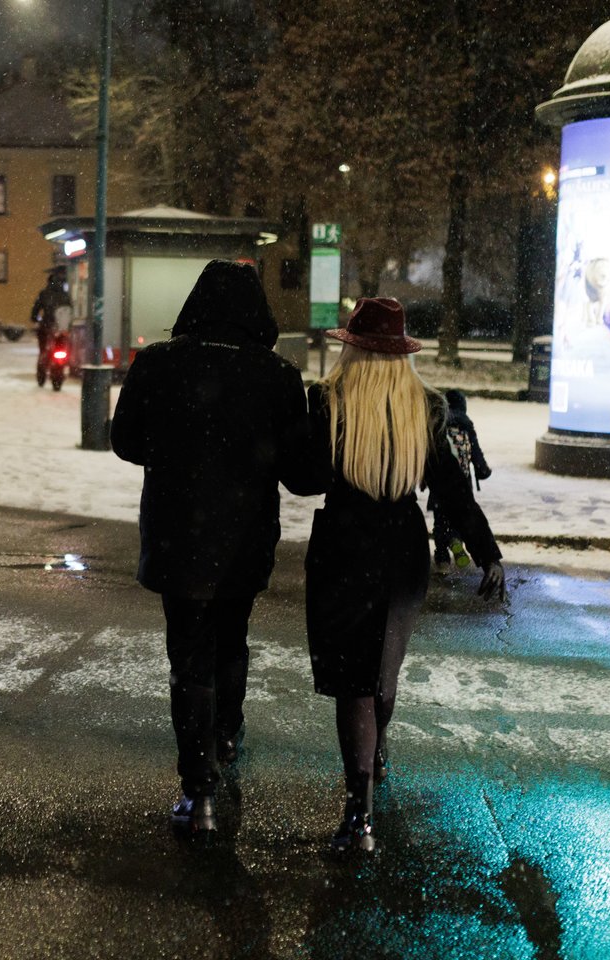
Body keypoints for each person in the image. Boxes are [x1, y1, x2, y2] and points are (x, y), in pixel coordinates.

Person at [111, 259, 316, 840]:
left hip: (177, 536)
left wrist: (176, 448)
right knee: (232, 638)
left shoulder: (157, 363)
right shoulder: (278, 376)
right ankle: (225, 734)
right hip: (244, 538)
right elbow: (299, 471)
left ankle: (197, 789)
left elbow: (125, 442)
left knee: (188, 655)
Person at [303, 297, 505, 854]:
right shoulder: (427, 407)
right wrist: (487, 552)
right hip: (402, 547)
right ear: (402, 354)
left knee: (354, 683)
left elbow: (305, 477)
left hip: (344, 544)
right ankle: (377, 749)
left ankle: (358, 815)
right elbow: (453, 492)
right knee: (382, 673)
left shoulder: (326, 400)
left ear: (352, 348)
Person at [428, 388, 492, 572]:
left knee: (440, 520)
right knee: (459, 515)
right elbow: (476, 454)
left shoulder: (439, 424)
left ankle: (442, 559)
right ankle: (456, 539)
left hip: (440, 483)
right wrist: (483, 471)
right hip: (461, 484)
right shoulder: (466, 426)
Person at [30, 266, 72, 384]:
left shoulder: (44, 293)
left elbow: (35, 310)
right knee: (63, 346)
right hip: (62, 328)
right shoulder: (65, 295)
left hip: (46, 327)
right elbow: (70, 310)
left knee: (43, 349)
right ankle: (59, 368)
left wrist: (34, 318)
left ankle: (42, 372)